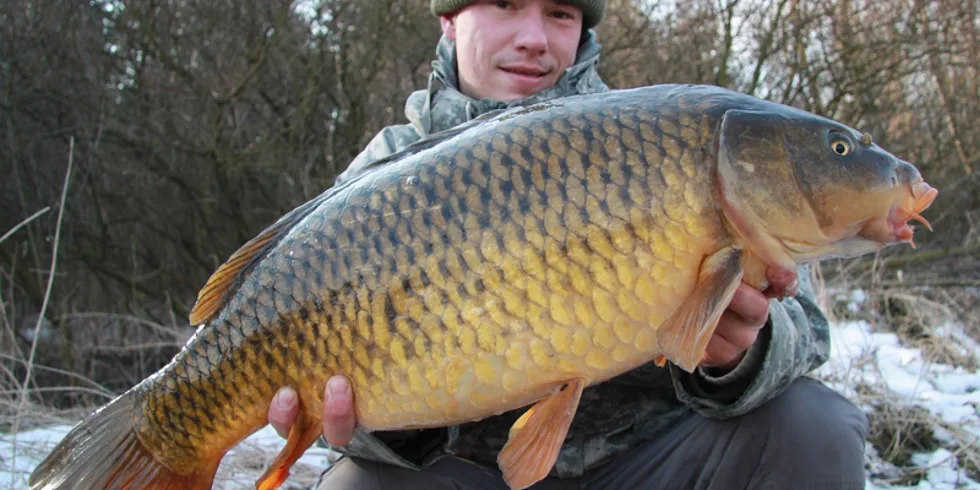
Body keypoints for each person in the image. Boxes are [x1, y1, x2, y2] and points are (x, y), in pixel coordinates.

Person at [267, 1, 870, 488]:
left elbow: (807, 332)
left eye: (560, 13)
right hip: (467, 472)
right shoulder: (383, 173)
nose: (534, 37)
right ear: (449, 18)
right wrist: (388, 424)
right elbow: (329, 403)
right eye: (504, 5)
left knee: (814, 427)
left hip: (652, 460)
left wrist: (742, 354)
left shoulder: (656, 134)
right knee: (358, 482)